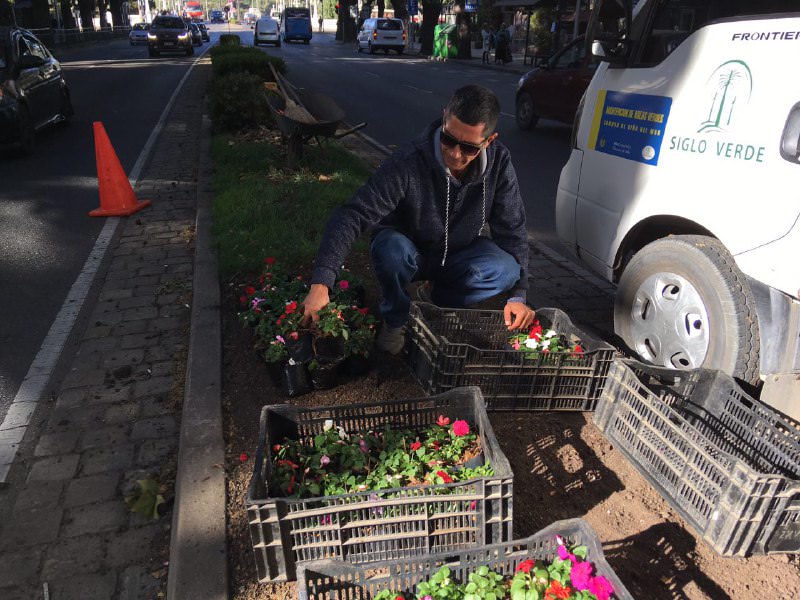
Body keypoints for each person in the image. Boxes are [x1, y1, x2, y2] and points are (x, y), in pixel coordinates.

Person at [302, 85, 535, 354]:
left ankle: (439, 299)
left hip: (456, 252)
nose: (455, 154)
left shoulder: (499, 164)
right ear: (444, 116)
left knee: (506, 269)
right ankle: (395, 318)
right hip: (407, 251)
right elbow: (353, 214)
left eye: (469, 148)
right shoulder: (408, 162)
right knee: (390, 248)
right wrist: (321, 282)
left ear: (488, 141)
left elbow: (513, 228)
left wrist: (519, 295)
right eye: (449, 139)